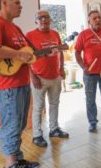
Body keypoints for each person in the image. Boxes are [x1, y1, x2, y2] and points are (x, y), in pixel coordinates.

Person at [0, 0, 39, 168]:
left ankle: (18, 159)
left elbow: (30, 53)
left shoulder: (17, 28)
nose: (21, 6)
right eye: (16, 2)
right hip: (7, 86)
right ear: (4, 3)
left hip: (22, 83)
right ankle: (11, 164)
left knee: (19, 124)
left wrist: (46, 53)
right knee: (11, 124)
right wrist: (19, 54)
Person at [26, 10, 69, 148]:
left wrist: (61, 68)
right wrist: (32, 76)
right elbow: (26, 58)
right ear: (36, 21)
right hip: (39, 77)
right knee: (38, 107)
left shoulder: (55, 33)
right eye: (41, 17)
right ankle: (37, 135)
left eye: (47, 17)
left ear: (50, 20)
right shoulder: (30, 35)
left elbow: (60, 52)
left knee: (55, 103)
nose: (44, 19)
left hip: (55, 76)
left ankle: (54, 129)